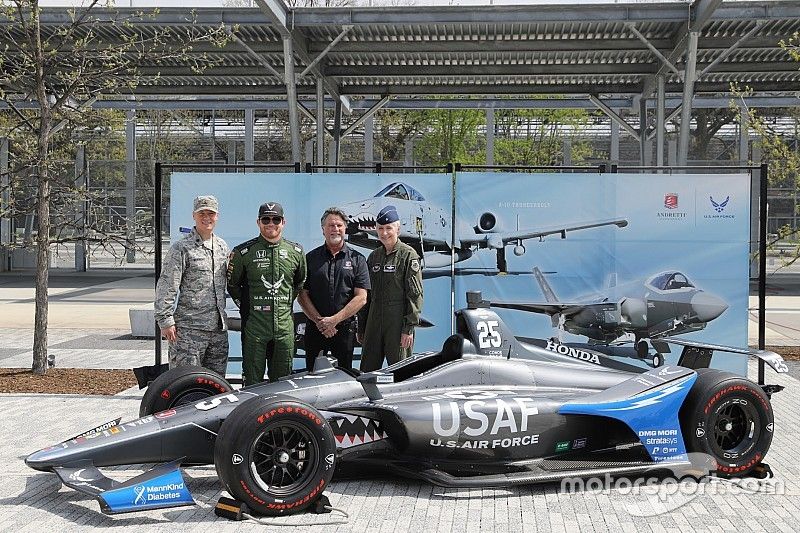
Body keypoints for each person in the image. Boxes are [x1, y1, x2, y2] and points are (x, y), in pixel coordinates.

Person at [227, 202, 306, 385]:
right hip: (255, 327)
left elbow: (299, 282)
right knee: (252, 382)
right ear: (258, 222)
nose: (271, 223)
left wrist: (283, 303)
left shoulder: (296, 251)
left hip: (284, 327)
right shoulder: (244, 252)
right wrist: (246, 306)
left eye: (276, 219)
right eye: (266, 219)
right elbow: (233, 285)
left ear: (283, 222)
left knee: (283, 383)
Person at [154, 195, 229, 376]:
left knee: (216, 388)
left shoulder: (222, 247)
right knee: (185, 383)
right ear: (193, 216)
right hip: (189, 331)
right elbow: (167, 284)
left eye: (210, 213)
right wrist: (165, 320)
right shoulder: (182, 248)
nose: (206, 217)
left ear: (217, 216)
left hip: (217, 332)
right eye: (201, 213)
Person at [298, 207, 370, 371]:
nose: (335, 229)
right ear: (323, 229)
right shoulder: (309, 258)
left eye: (339, 225)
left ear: (345, 228)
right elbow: (302, 295)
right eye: (330, 225)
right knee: (312, 377)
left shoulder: (358, 259)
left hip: (344, 331)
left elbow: (361, 298)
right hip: (316, 329)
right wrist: (320, 322)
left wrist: (334, 321)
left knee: (344, 378)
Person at [358, 205, 424, 372]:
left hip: (397, 323)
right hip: (374, 321)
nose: (384, 233)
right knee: (367, 371)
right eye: (380, 228)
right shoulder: (374, 256)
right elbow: (367, 295)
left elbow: (415, 295)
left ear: (398, 229)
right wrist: (362, 327)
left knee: (401, 372)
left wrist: (408, 328)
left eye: (389, 228)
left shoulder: (408, 255)